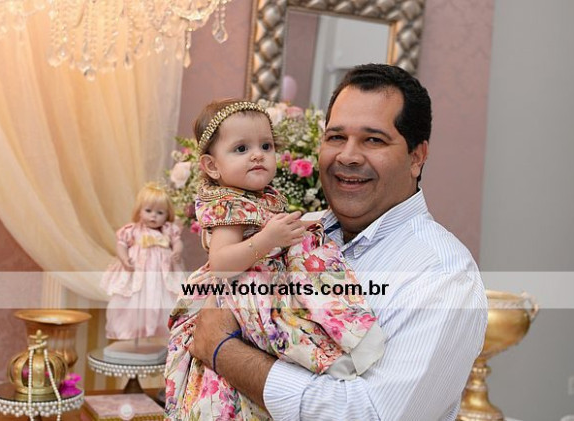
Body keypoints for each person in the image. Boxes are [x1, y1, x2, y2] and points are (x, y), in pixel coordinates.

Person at [186, 64, 488, 420]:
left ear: (417, 157)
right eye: (335, 137)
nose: (348, 156)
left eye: (373, 140)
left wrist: (223, 351)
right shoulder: (290, 232)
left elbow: (371, 414)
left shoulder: (443, 276)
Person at [164, 100, 386, 420]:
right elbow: (222, 263)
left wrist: (298, 230)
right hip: (237, 285)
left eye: (265, 146)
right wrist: (269, 239)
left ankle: (339, 346)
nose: (258, 155)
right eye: (241, 148)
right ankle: (326, 354)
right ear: (212, 166)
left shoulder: (260, 196)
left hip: (260, 278)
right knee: (283, 310)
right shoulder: (227, 202)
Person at [100, 182, 184, 340]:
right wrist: (124, 258)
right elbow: (121, 244)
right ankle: (133, 330)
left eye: (160, 212)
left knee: (161, 300)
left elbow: (177, 241)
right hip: (138, 272)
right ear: (139, 211)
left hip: (160, 273)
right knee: (134, 299)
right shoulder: (132, 229)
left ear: (167, 215)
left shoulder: (168, 229)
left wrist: (177, 251)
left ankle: (157, 329)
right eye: (148, 211)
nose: (154, 216)